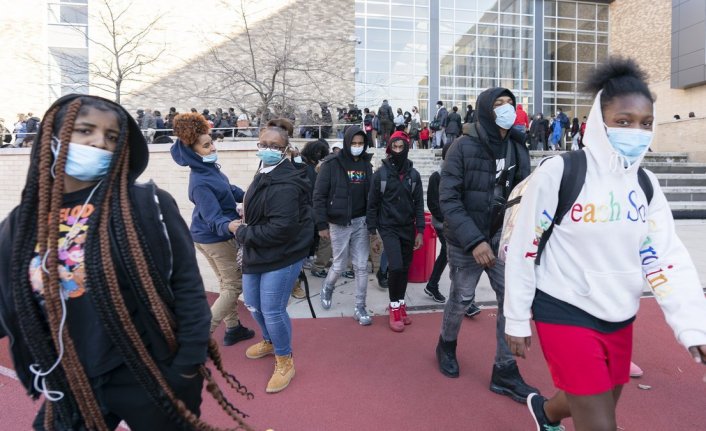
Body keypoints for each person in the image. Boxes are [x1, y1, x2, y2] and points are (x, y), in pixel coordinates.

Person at [0, 94, 252, 430]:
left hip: (150, 373)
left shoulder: (149, 205)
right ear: (54, 139)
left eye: (112, 136)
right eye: (85, 131)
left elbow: (188, 290)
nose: (99, 142)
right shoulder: (23, 222)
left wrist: (186, 367)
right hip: (73, 379)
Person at [504, 57, 706, 431]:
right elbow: (524, 247)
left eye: (645, 123)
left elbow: (665, 257)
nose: (637, 131)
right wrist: (516, 317)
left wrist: (695, 325)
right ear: (600, 121)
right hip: (563, 306)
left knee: (605, 395)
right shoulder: (561, 172)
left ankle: (545, 413)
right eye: (624, 121)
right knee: (601, 422)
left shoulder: (646, 186)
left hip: (620, 312)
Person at [435, 87, 538, 403]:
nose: (507, 108)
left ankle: (504, 371)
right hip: (467, 240)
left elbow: (522, 195)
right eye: (499, 104)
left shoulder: (518, 147)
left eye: (511, 103)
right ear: (484, 110)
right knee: (462, 296)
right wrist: (475, 241)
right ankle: (446, 344)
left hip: (501, 237)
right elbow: (448, 199)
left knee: (511, 298)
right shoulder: (462, 147)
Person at [237, 119, 314, 393]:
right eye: (263, 144)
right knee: (253, 304)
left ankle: (285, 360)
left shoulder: (287, 182)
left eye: (274, 146)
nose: (267, 149)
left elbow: (281, 229)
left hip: (283, 253)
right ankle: (269, 340)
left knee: (271, 308)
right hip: (259, 249)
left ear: (285, 149)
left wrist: (242, 233)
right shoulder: (265, 169)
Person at [170, 112, 256, 346]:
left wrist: (252, 195)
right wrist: (229, 224)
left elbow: (230, 190)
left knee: (224, 283)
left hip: (206, 237)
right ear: (193, 152)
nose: (212, 148)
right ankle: (197, 338)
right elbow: (212, 217)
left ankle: (233, 328)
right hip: (214, 238)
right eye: (206, 146)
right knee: (233, 285)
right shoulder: (200, 181)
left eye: (212, 142)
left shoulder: (211, 171)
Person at [315, 126, 374, 325]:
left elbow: (371, 195)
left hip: (361, 221)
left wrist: (373, 222)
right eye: (354, 143)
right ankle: (328, 287)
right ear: (347, 143)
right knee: (339, 264)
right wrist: (321, 224)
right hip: (338, 222)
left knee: (361, 266)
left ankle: (360, 306)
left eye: (361, 144)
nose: (357, 147)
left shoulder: (366, 164)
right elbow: (319, 195)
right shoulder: (332, 164)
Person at [367, 131, 424, 332]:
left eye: (401, 147)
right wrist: (372, 232)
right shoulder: (380, 175)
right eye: (395, 147)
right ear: (390, 149)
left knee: (405, 268)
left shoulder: (414, 175)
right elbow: (372, 205)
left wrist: (420, 231)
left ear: (407, 148)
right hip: (388, 227)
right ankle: (393, 307)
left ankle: (400, 303)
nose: (398, 151)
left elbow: (419, 205)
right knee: (396, 266)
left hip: (408, 228)